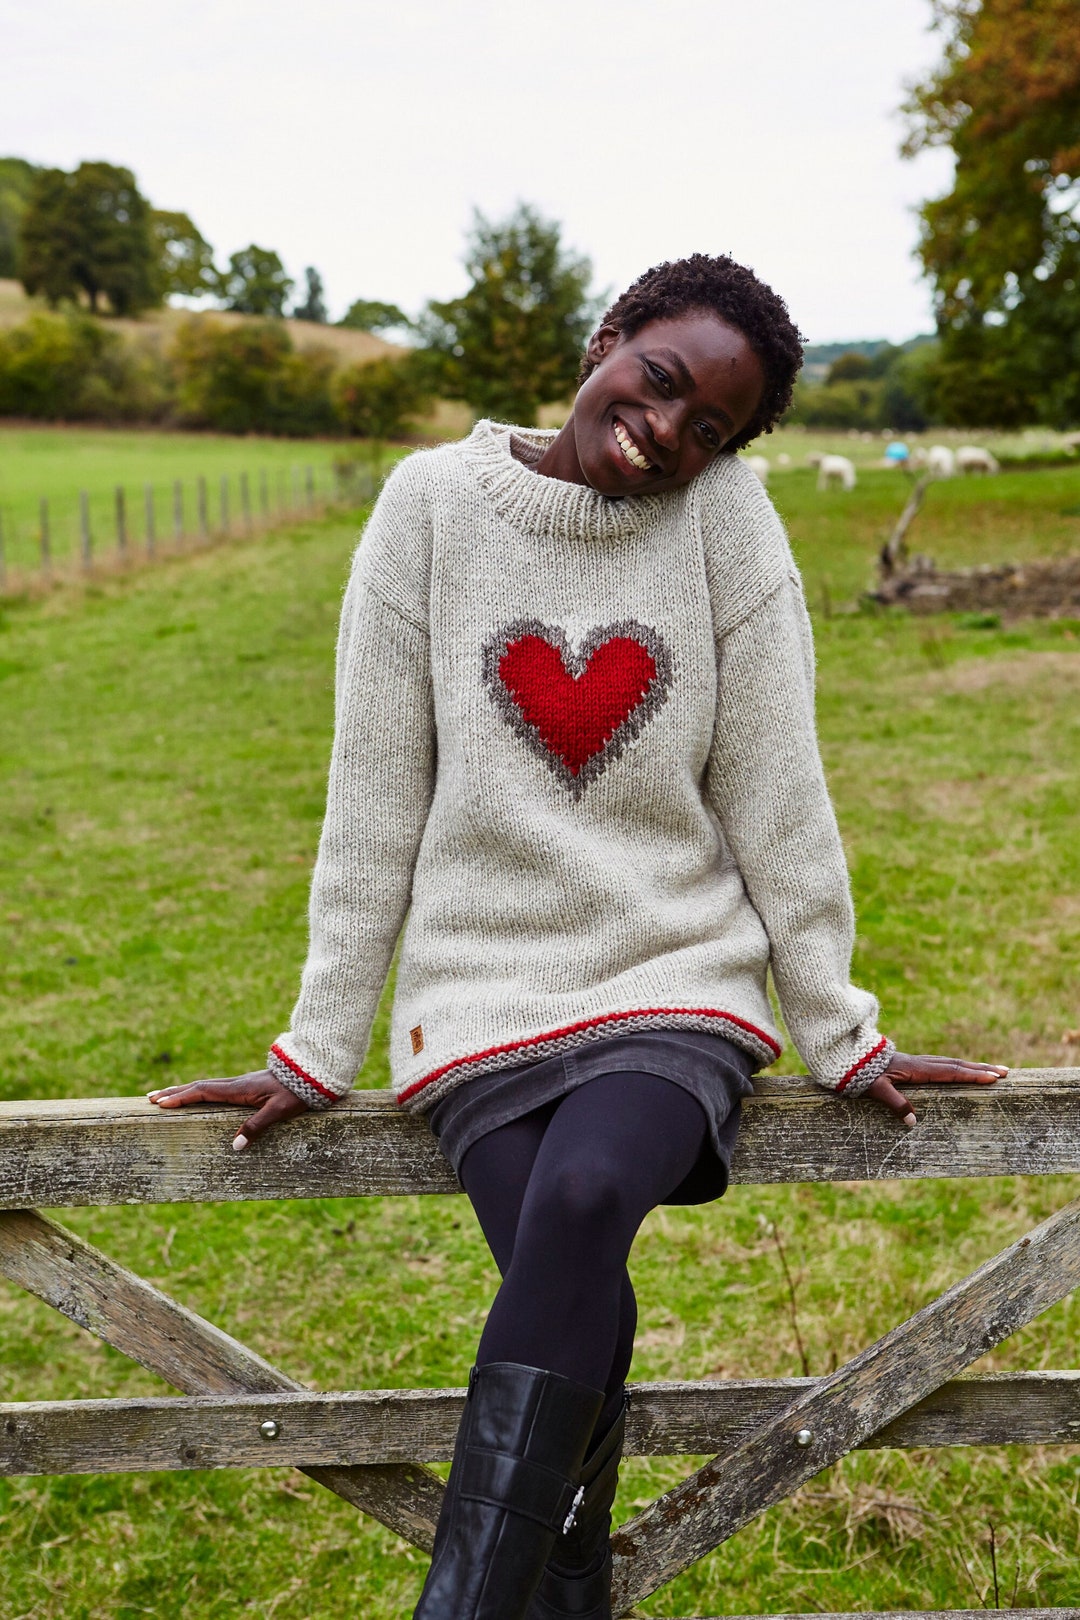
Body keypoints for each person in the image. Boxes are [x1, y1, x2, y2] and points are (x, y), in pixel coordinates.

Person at [149, 253, 1005, 1620]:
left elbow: (778, 793)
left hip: (676, 977)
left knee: (589, 1198)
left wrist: (841, 1027)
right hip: (477, 995)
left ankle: (465, 1603)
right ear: (613, 335)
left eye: (708, 426)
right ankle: (567, 1589)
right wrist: (315, 1048)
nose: (669, 430)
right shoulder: (427, 507)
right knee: (573, 1296)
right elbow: (373, 800)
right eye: (663, 381)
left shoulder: (728, 521)